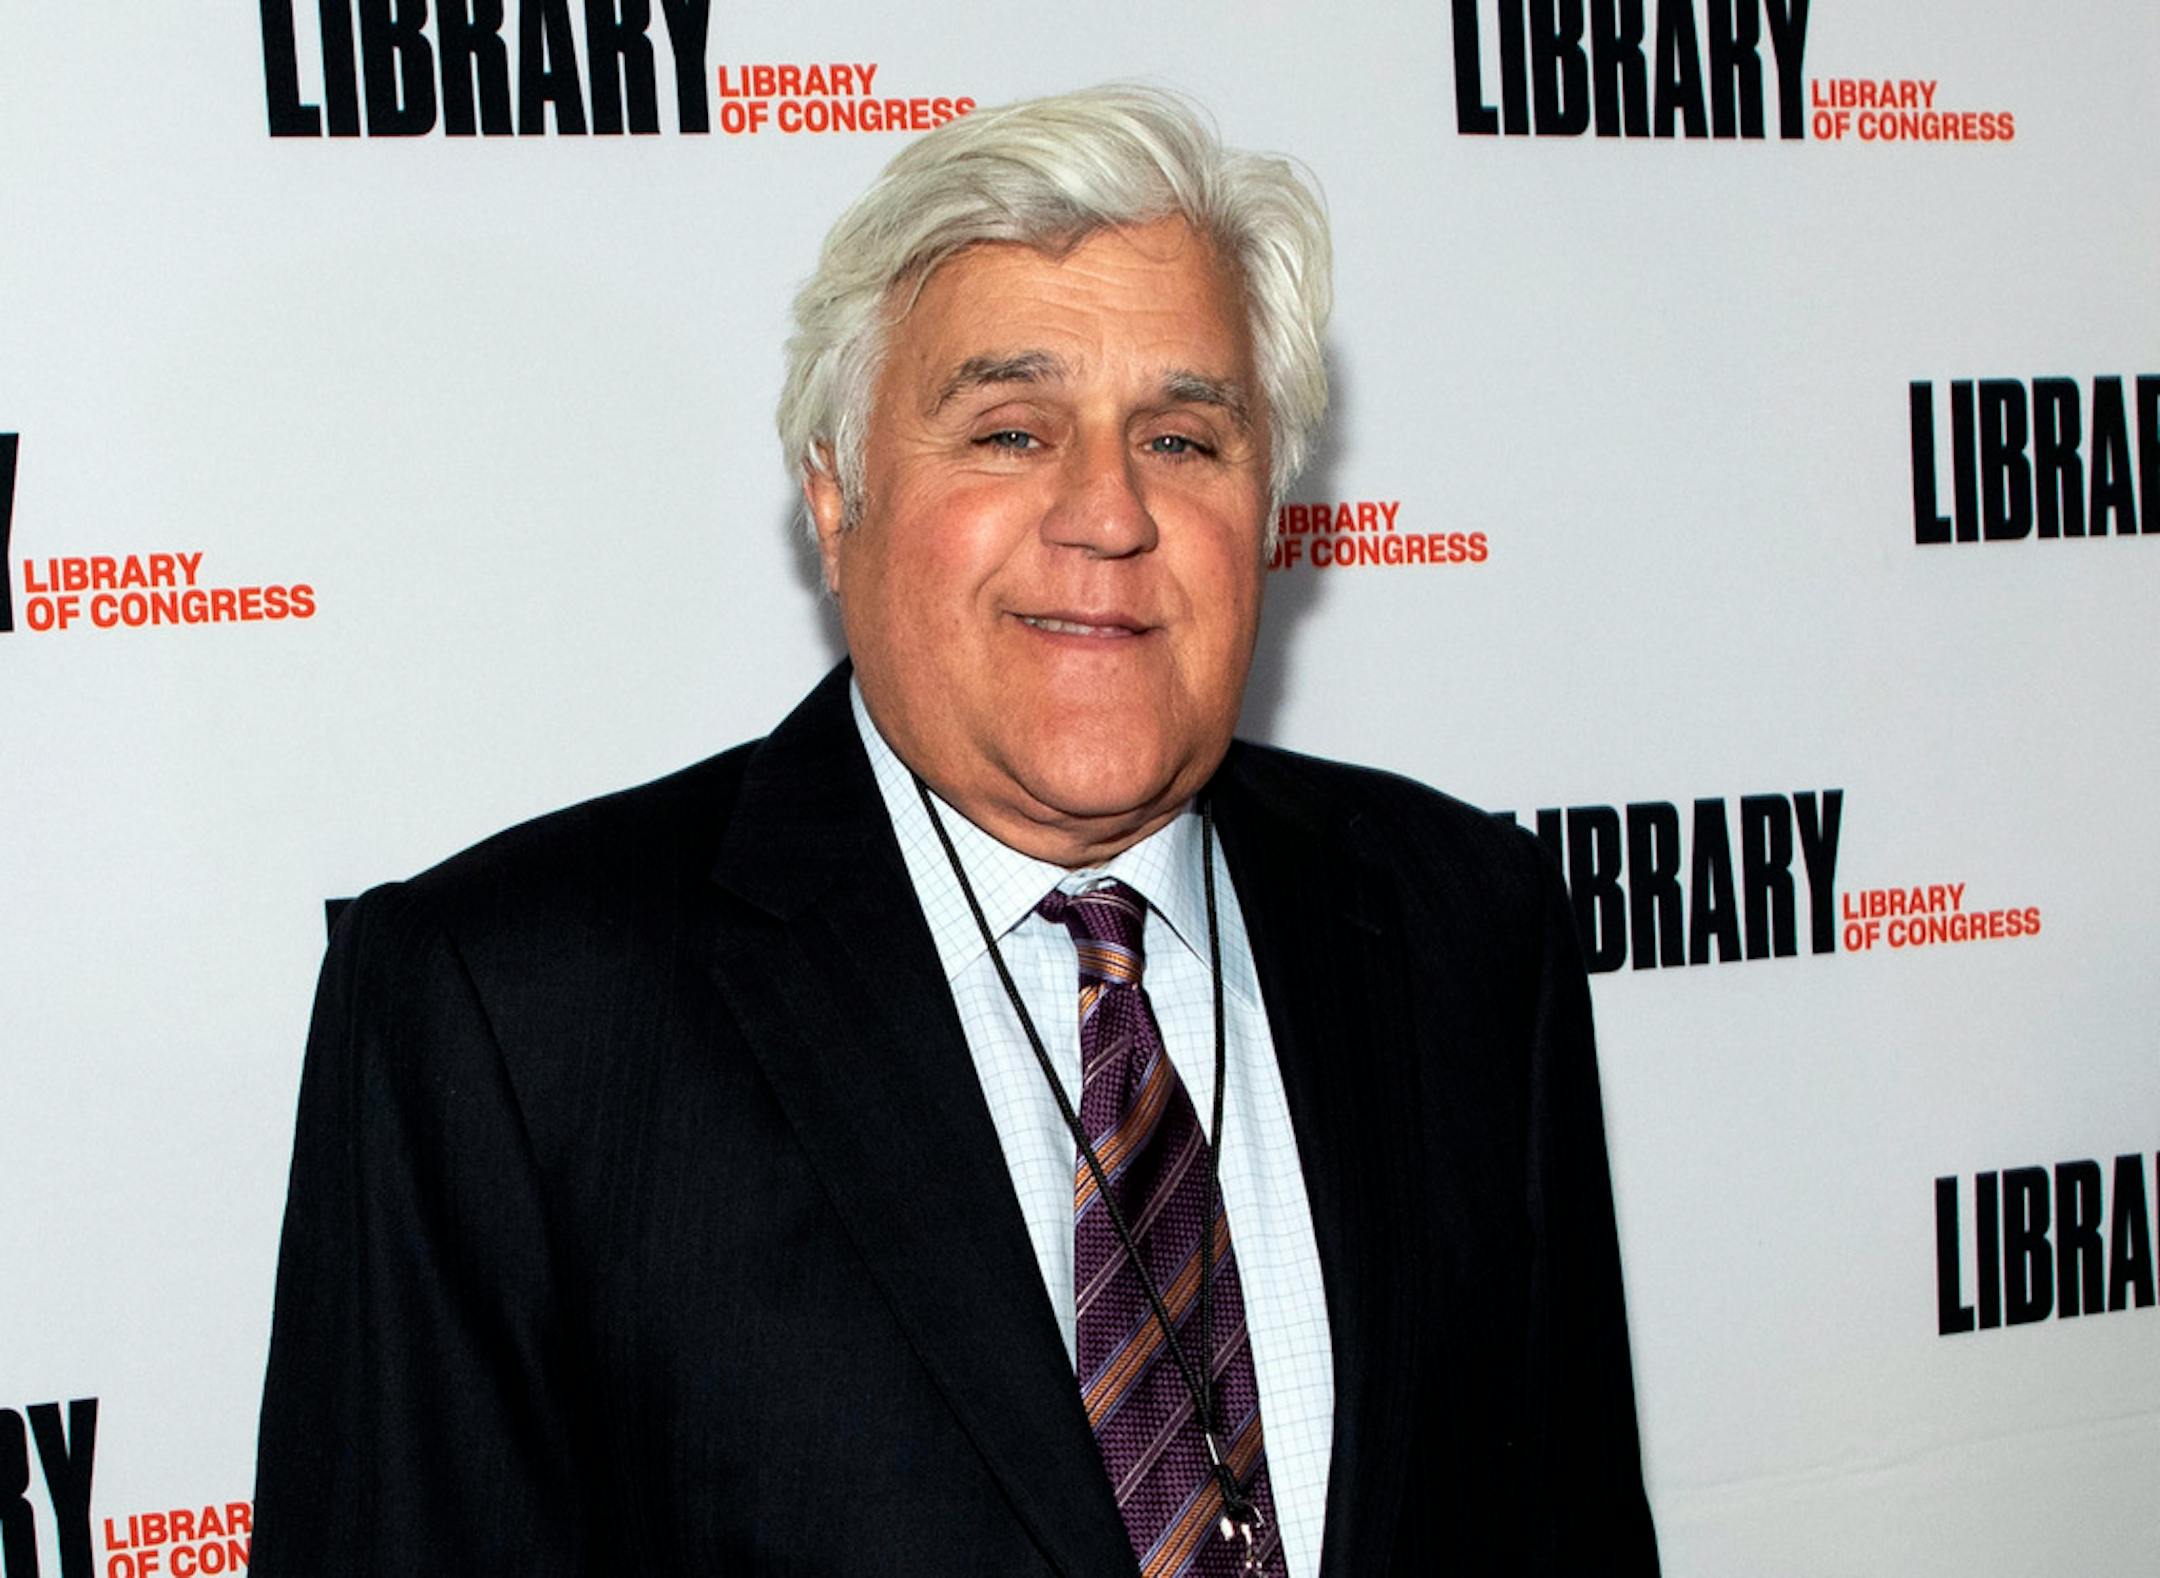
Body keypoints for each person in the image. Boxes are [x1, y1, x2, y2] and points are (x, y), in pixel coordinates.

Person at [252, 85, 1658, 1577]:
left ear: (1267, 512)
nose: (1107, 513)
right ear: (834, 497)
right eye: (1010, 430)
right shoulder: (512, 1017)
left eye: (1184, 440)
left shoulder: (1466, 928)